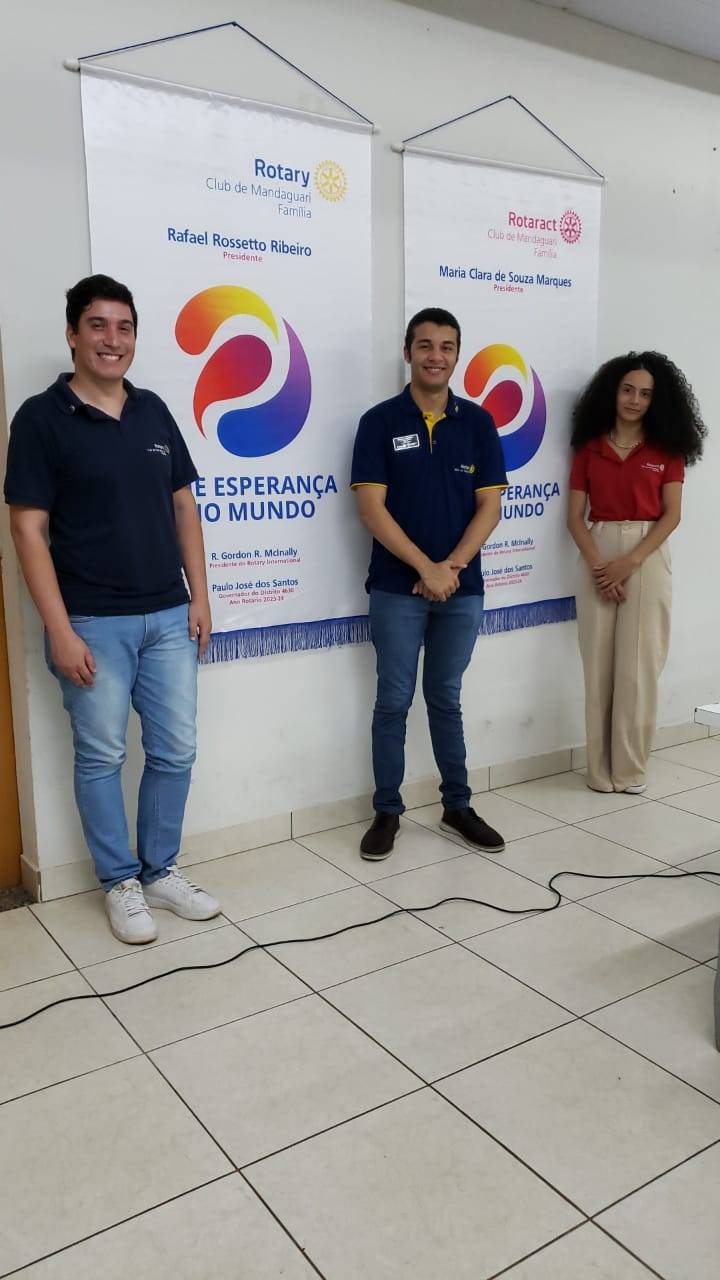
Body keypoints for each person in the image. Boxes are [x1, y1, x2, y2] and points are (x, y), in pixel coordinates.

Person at [4, 274, 221, 943]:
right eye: (97, 325)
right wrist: (59, 630)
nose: (112, 339)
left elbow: (183, 506)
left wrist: (200, 596)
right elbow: (27, 530)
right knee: (101, 756)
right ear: (72, 334)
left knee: (176, 750)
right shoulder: (41, 418)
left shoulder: (153, 411)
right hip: (92, 622)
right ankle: (119, 882)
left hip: (169, 618)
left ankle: (160, 870)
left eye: (124, 327)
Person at [351, 307, 508, 859]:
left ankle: (457, 806)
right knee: (393, 701)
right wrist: (425, 568)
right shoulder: (379, 422)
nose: (435, 356)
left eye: (446, 346)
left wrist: (451, 568)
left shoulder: (478, 423)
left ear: (457, 355)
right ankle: (387, 811)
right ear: (407, 352)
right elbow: (371, 508)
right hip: (397, 589)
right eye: (424, 345)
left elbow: (490, 505)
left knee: (445, 698)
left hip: (462, 590)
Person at [567, 351, 706, 794]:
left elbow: (672, 516)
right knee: (598, 665)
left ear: (656, 401)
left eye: (645, 394)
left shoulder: (667, 451)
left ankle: (629, 770)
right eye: (628, 390)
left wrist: (627, 564)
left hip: (647, 554)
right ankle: (598, 770)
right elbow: (574, 518)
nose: (634, 400)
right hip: (598, 548)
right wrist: (601, 567)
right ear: (612, 392)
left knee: (639, 666)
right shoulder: (589, 449)